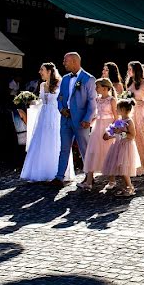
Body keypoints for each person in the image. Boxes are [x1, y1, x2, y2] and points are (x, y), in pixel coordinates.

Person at [21, 63, 74, 183]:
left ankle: (57, 171)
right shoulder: (42, 85)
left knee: (55, 141)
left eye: (42, 69)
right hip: (43, 116)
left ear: (49, 71)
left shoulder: (60, 83)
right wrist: (30, 102)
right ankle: (40, 170)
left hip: (55, 115)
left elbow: (65, 98)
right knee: (41, 141)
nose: (40, 72)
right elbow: (41, 101)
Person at [53, 52, 96, 186]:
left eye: (66, 61)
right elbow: (60, 97)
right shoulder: (65, 78)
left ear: (74, 61)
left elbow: (92, 102)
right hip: (66, 119)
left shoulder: (88, 78)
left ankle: (89, 176)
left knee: (84, 149)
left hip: (81, 120)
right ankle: (59, 177)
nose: (64, 63)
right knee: (64, 148)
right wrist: (61, 108)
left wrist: (87, 119)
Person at [80, 78, 118, 191]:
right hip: (97, 128)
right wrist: (89, 123)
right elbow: (96, 115)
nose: (96, 89)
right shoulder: (97, 99)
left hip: (107, 128)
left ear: (105, 88)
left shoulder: (112, 100)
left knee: (107, 153)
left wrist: (110, 131)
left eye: (98, 87)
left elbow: (116, 118)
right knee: (92, 151)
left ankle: (112, 180)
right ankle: (89, 181)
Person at [100, 98, 141, 197]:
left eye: (117, 108)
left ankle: (130, 187)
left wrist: (121, 133)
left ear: (122, 109)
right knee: (117, 167)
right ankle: (123, 186)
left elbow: (132, 135)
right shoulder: (119, 120)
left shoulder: (129, 121)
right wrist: (109, 135)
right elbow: (115, 132)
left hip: (126, 146)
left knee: (124, 169)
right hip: (118, 145)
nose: (116, 110)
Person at [126, 61, 144, 175]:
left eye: (130, 69)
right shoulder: (129, 83)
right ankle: (132, 166)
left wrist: (141, 102)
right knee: (131, 139)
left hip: (141, 114)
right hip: (130, 114)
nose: (128, 71)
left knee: (142, 140)